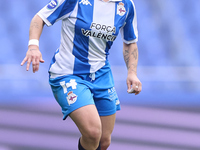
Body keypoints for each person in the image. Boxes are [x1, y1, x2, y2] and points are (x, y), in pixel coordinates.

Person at [21, 0, 142, 149]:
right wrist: (33, 46)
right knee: (92, 132)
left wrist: (132, 72)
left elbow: (130, 42)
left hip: (101, 74)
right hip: (68, 74)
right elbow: (39, 18)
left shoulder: (126, 5)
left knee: (104, 141)